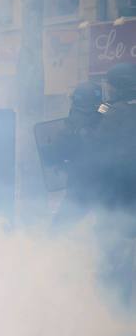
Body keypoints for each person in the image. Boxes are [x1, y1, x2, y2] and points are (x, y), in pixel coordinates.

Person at [79, 62, 136, 311]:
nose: (108, 89)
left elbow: (94, 150)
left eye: (111, 84)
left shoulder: (117, 114)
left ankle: (115, 314)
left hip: (118, 198)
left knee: (114, 260)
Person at [54, 82, 104, 227]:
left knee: (59, 229)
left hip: (82, 182)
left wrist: (60, 162)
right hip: (107, 182)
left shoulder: (74, 121)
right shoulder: (108, 114)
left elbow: (60, 148)